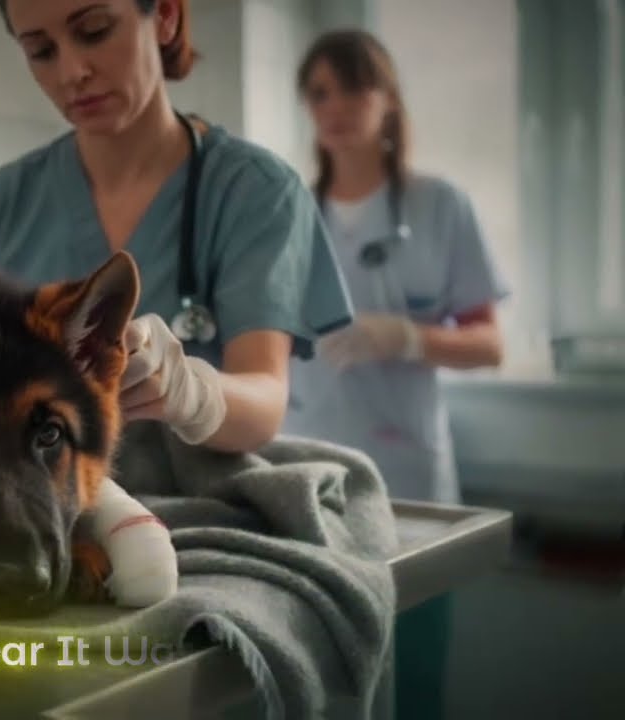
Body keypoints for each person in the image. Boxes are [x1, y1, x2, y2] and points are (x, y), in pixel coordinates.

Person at [0, 0, 353, 455]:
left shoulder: (254, 190)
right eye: (41, 51)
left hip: (196, 495)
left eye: (94, 30)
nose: (72, 72)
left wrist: (192, 393)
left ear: (165, 16)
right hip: (37, 492)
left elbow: (264, 402)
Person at [284, 29, 510, 720]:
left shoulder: (441, 207)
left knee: (414, 670)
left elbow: (489, 345)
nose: (336, 107)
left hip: (406, 475)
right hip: (309, 476)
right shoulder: (290, 216)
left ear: (388, 99)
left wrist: (408, 337)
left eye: (354, 87)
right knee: (312, 672)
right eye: (320, 92)